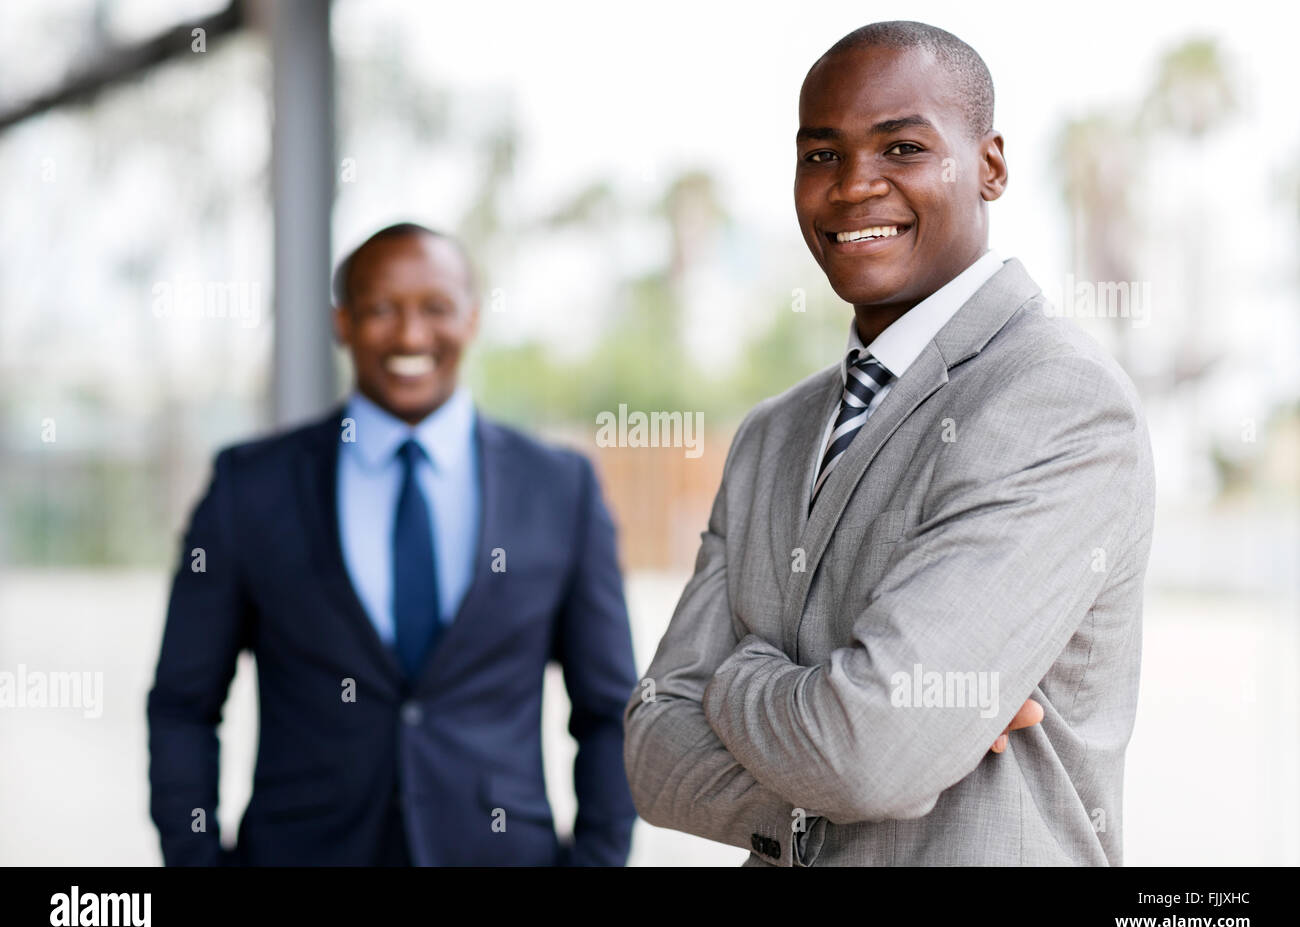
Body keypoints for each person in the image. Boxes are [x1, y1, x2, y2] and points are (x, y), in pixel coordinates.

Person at [624, 21, 1154, 866]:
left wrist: (736, 677)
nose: (853, 187)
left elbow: (870, 753)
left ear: (990, 165)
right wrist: (845, 745)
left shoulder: (1056, 399)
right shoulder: (772, 434)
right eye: (821, 155)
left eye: (902, 147)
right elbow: (652, 750)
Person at [149, 222, 637, 866]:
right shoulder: (251, 487)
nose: (410, 336)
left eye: (435, 308)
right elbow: (184, 705)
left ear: (471, 318)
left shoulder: (560, 489)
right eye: (381, 309)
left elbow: (610, 713)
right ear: (342, 322)